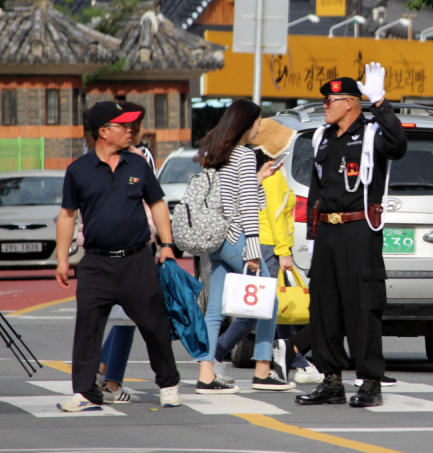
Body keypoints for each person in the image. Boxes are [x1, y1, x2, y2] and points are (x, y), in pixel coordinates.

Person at [55, 101, 181, 411]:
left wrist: (167, 245)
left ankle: (168, 382)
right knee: (87, 328)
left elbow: (158, 204)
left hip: (137, 261)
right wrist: (61, 259)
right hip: (96, 263)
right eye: (122, 125)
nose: (130, 130)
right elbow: (67, 216)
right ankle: (84, 392)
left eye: (130, 125)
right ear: (103, 132)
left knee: (155, 325)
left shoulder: (138, 164)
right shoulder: (78, 170)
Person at [293, 63, 407, 408]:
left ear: (350, 104)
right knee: (324, 308)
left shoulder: (372, 133)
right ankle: (331, 380)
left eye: (331, 100)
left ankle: (370, 382)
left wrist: (382, 102)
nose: (326, 105)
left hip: (360, 231)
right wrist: (313, 237)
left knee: (363, 308)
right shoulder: (322, 137)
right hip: (328, 230)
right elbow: (316, 190)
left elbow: (399, 144)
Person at [213, 119, 323, 385]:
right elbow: (275, 217)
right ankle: (215, 354)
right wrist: (284, 252)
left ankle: (294, 359)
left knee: (274, 308)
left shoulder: (268, 172)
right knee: (258, 310)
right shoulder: (272, 177)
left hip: (264, 244)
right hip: (267, 246)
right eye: (286, 144)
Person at [193, 99, 292, 393]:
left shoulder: (215, 153)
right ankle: (263, 369)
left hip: (216, 240)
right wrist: (252, 250)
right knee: (268, 300)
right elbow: (248, 207)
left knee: (215, 310)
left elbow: (231, 195)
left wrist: (259, 178)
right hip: (238, 238)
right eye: (258, 122)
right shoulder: (246, 156)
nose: (259, 128)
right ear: (245, 123)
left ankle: (206, 373)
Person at [95, 102, 157, 404]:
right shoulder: (140, 157)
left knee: (122, 314)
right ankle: (112, 381)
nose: (132, 130)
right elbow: (151, 202)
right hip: (135, 245)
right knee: (130, 317)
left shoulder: (97, 156)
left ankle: (103, 366)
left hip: (103, 246)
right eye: (128, 125)